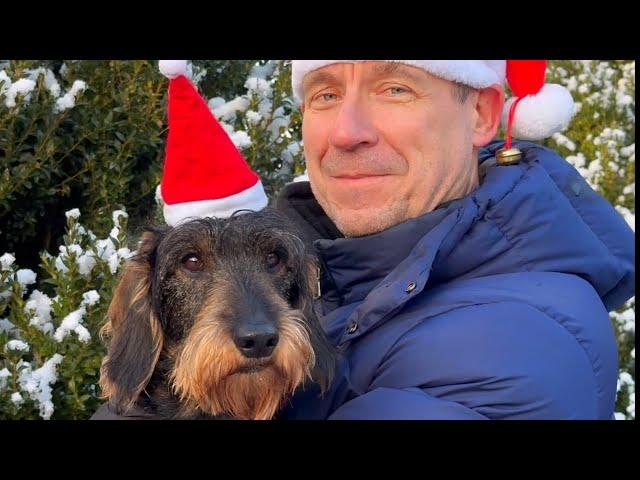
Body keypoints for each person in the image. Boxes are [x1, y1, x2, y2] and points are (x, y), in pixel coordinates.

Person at [93, 60, 635, 420]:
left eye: (395, 87)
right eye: (325, 93)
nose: (348, 131)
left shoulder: (509, 347)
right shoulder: (342, 262)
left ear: (482, 114)